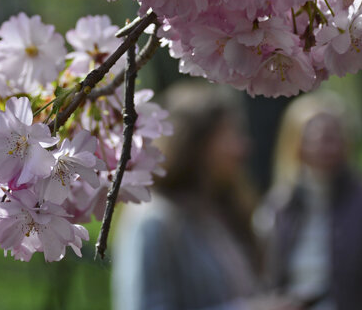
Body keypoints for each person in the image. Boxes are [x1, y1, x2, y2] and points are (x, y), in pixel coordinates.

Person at [112, 82, 296, 310]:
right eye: (231, 134)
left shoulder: (221, 212)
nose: (243, 147)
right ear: (197, 142)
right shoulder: (154, 219)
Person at [256, 94, 362, 310]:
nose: (323, 146)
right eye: (313, 137)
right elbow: (264, 283)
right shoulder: (277, 209)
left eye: (331, 137)